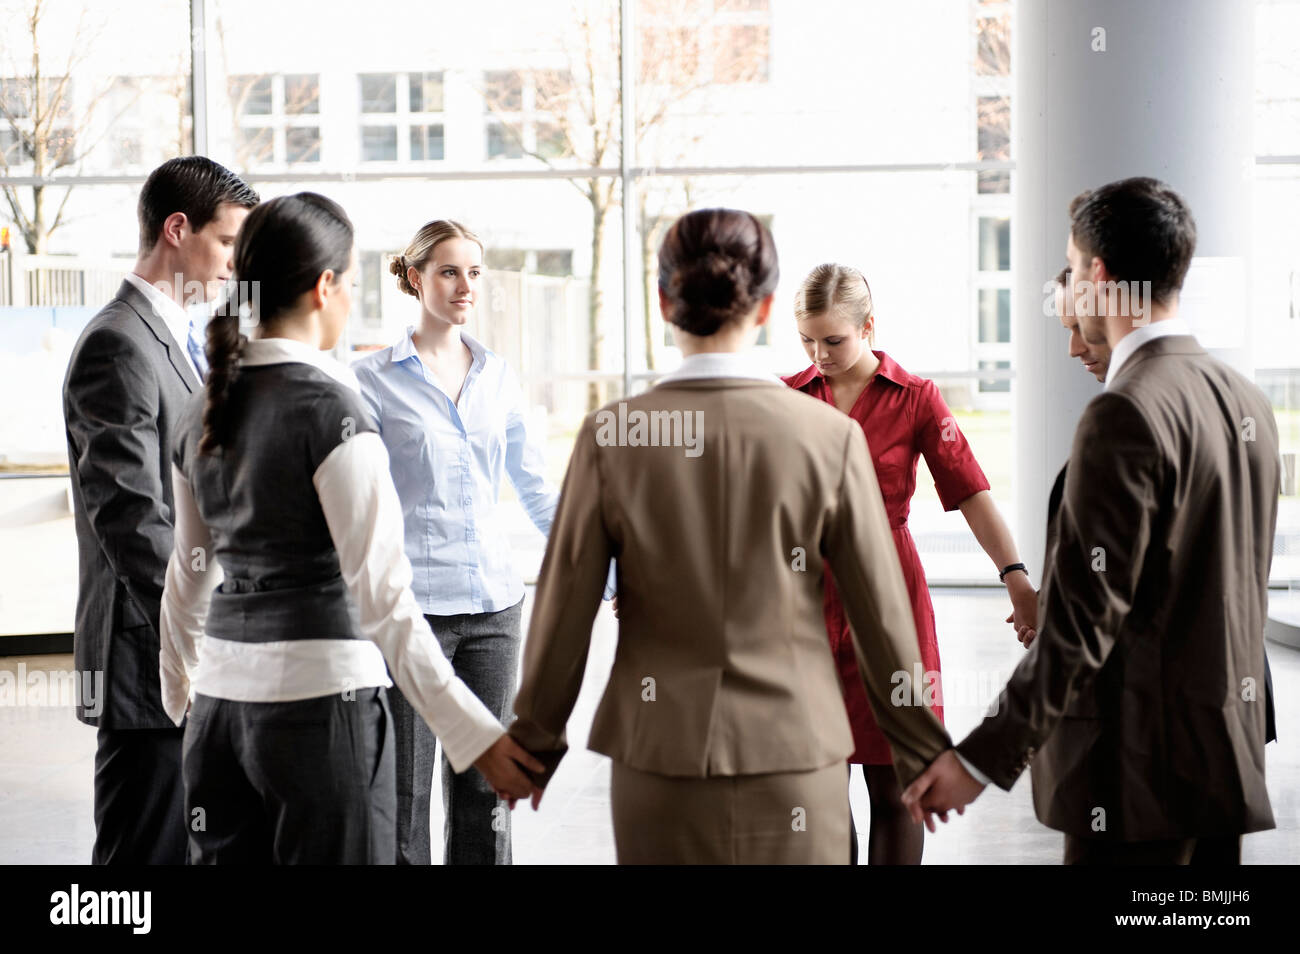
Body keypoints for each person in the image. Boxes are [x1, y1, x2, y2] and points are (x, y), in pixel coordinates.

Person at [507, 208, 954, 864]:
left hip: (659, 765)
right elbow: (883, 620)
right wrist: (921, 748)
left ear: (664, 301)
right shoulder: (829, 438)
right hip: (798, 759)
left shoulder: (612, 436)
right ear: (769, 306)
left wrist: (533, 741)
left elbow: (564, 607)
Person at [904, 177, 1279, 865]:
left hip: (1136, 775)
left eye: (1071, 267)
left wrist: (981, 761)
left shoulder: (1126, 412)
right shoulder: (1243, 399)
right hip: (1222, 759)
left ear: (1096, 276)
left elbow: (1081, 625)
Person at [158, 193, 540, 864]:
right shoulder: (338, 406)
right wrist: (478, 738)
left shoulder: (203, 405)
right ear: (324, 287)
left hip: (219, 710)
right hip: (320, 708)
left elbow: (188, 574)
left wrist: (185, 695)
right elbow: (385, 600)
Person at [783, 263, 1035, 865]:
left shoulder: (917, 398)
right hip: (802, 604)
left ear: (869, 326)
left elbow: (972, 492)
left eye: (834, 340)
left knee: (898, 785)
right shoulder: (785, 399)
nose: (820, 354)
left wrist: (1017, 579)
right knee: (817, 787)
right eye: (808, 341)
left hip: (890, 599)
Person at [353, 219, 575, 865]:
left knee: (486, 796)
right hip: (411, 615)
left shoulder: (498, 375)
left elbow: (535, 489)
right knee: (404, 797)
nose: (464, 285)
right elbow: (357, 501)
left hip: (494, 610)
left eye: (474, 272)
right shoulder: (371, 380)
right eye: (449, 271)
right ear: (416, 278)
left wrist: (610, 573)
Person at [62, 156, 257, 864]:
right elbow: (132, 519)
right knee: (138, 865)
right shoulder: (119, 343)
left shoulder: (175, 340)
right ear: (178, 229)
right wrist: (198, 632)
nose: (237, 264)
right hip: (149, 656)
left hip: (180, 653)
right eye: (229, 243)